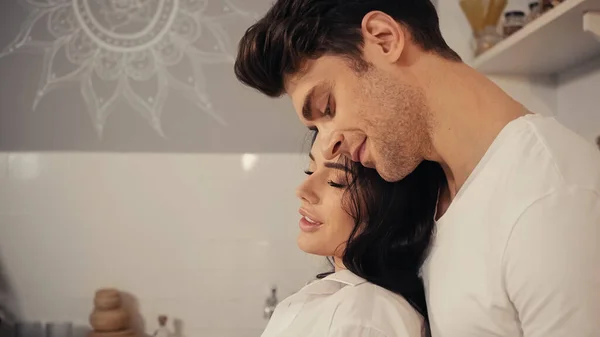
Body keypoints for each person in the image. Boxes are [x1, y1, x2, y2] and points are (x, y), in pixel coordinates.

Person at [233, 1, 600, 336]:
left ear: (384, 38)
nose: (328, 144)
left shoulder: (553, 196)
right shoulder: (434, 194)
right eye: (316, 128)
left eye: (327, 106)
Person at [262, 135, 444, 337]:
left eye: (336, 182)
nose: (303, 190)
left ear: (391, 205)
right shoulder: (348, 304)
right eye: (310, 170)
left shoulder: (364, 319)